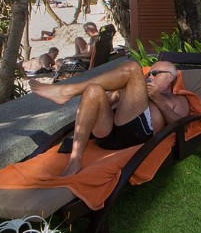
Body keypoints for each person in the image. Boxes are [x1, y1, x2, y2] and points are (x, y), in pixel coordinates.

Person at [29, 60, 190, 177]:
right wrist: (119, 93)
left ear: (171, 77)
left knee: (133, 67)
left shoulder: (177, 100)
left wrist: (157, 99)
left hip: (135, 136)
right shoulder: (136, 92)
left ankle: (67, 91)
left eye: (155, 73)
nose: (149, 76)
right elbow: (103, 103)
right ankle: (74, 161)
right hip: (107, 136)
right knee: (93, 90)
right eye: (148, 73)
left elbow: (181, 125)